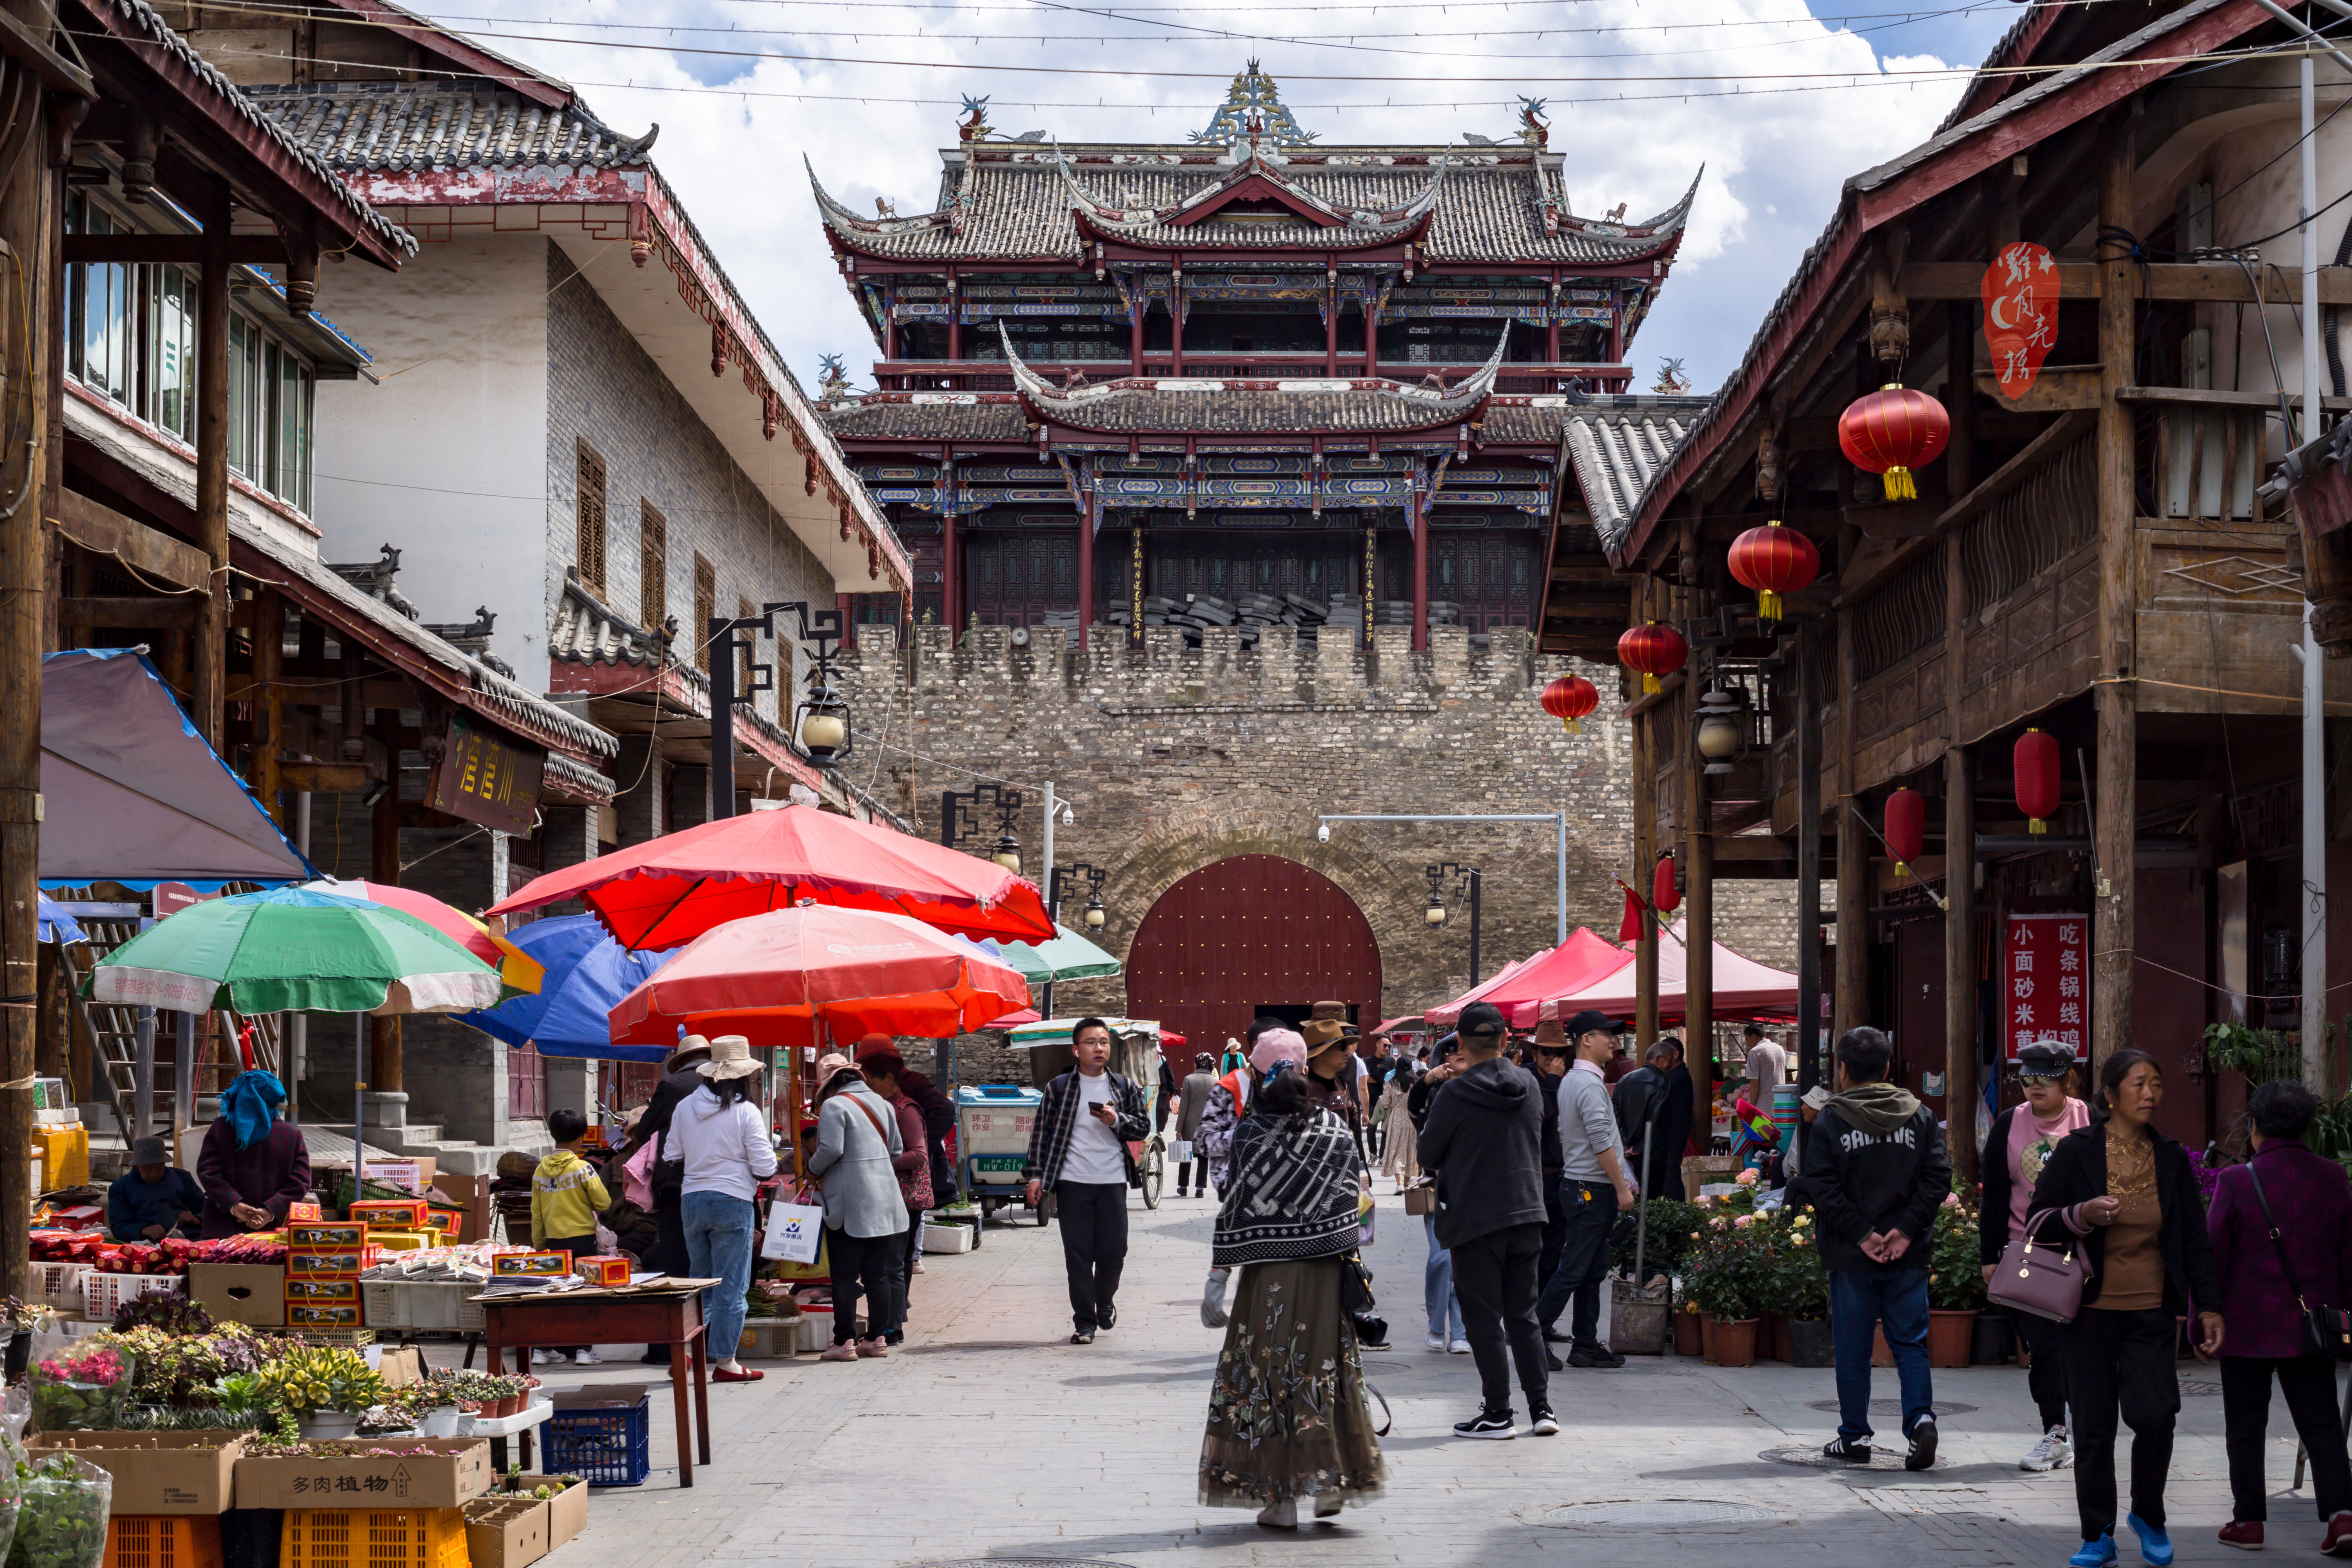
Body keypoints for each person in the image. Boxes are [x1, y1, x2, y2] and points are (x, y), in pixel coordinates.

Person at [2027, 1049, 2223, 1568]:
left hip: (2152, 1311)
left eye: (2157, 1083)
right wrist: (2081, 1214)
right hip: (2087, 1311)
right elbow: (2036, 1222)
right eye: (2139, 1084)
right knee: (2093, 1427)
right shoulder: (2076, 1151)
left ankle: (2149, 1515)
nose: (2151, 1093)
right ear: (2110, 1095)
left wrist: (2210, 1307)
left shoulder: (2171, 1156)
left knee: (2156, 1416)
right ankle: (2098, 1534)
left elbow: (2196, 1240)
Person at [1198, 1059, 1388, 1528]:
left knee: (1267, 1372)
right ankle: (1328, 1485)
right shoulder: (1336, 1132)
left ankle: (1279, 1500)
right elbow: (1353, 1204)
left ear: (1264, 1091)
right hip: (1325, 1272)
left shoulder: (1251, 1132)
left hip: (1268, 1276)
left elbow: (1236, 1205)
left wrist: (1218, 1276)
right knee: (1322, 1368)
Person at [2206, 1078, 2352, 1553]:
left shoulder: (2235, 1181)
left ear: (2254, 1127)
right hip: (2313, 1327)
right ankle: (2342, 1517)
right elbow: (2348, 1256)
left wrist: (2202, 1319)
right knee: (2322, 1423)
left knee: (2245, 1425)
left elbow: (2213, 1258)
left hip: (2245, 1325)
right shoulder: (2334, 1177)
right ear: (2308, 1126)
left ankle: (2248, 1522)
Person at [1800, 1025, 1950, 1472]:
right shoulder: (1920, 1116)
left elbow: (1820, 1185)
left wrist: (1863, 1234)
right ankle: (1920, 1420)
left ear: (1842, 1071)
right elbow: (1938, 1178)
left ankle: (1855, 1436)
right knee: (1910, 1345)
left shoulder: (1831, 1119)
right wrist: (1903, 1230)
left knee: (1853, 1347)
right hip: (1909, 1254)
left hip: (1851, 1256)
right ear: (1887, 1068)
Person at [1416, 1001, 1554, 1440]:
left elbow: (1427, 1154)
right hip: (1528, 1210)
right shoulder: (1530, 1085)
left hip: (1476, 1217)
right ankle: (1542, 1408)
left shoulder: (1455, 1094)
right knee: (1524, 1316)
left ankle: (1498, 1412)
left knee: (1482, 1320)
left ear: (1460, 1043)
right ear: (1507, 1040)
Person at [1978, 1037, 2092, 1472]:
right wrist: (1990, 1255)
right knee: (2041, 1348)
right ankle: (2056, 1432)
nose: (2035, 1086)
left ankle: (2085, 1428)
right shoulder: (2009, 1124)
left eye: (2046, 1077)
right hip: (2026, 1254)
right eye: (2027, 1077)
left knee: (2081, 1347)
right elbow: (1995, 1196)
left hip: (2079, 1251)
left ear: (2066, 1078)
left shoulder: (2087, 1119)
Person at [1023, 1016, 1151, 1344]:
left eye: (1104, 1042)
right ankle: (1084, 1323)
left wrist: (1116, 1120)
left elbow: (1142, 1127)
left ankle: (1104, 1300)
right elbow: (1042, 1134)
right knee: (1078, 1255)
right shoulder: (1060, 1088)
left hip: (1111, 1181)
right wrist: (1035, 1176)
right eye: (1091, 1042)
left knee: (1114, 1250)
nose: (1099, 1048)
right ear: (1076, 1049)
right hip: (1072, 1182)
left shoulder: (1123, 1087)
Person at [668, 1035, 778, 1383]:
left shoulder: (685, 1107)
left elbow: (672, 1155)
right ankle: (726, 1362)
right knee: (731, 1285)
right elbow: (765, 1167)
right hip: (732, 1200)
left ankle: (687, 1354)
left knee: (701, 1284)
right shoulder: (746, 1111)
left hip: (692, 1200)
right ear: (743, 1076)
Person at [1536, 1009, 1637, 1370]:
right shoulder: (1587, 1084)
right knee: (1574, 1269)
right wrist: (1622, 1188)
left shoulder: (1577, 1081)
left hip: (1583, 1186)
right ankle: (1534, 1337)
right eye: (1604, 1033)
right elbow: (1600, 1141)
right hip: (1589, 1188)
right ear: (1585, 1040)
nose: (1613, 1041)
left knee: (1591, 1269)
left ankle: (1585, 1343)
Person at [808, 1045, 907, 1362]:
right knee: (877, 1274)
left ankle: (844, 1342)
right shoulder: (883, 1104)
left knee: (845, 1277)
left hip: (850, 1205)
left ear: (832, 1084)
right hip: (885, 1201)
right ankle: (878, 1338)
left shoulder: (835, 1107)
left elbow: (830, 1149)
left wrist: (811, 1170)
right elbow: (896, 1150)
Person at [858, 1042, 932, 1345]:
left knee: (895, 1265)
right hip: (889, 1197)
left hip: (905, 1200)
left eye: (872, 1082)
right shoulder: (884, 1108)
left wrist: (881, 1162)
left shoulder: (906, 1110)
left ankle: (892, 1327)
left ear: (889, 1079)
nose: (870, 1089)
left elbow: (919, 1154)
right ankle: (891, 1323)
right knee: (890, 1265)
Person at [530, 1107, 612, 1365]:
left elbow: (537, 1215)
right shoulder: (583, 1168)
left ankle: (544, 1350)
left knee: (553, 1294)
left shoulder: (539, 1171)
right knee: (585, 1293)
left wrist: (540, 1245)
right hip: (583, 1241)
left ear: (554, 1135)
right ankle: (583, 1351)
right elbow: (604, 1202)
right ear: (581, 1138)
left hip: (553, 1242)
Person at [1406, 1031, 1467, 1354]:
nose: (1457, 1053)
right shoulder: (1436, 1092)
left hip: (1474, 1189)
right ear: (1442, 1058)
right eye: (1451, 1050)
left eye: (1463, 1048)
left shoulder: (1480, 1090)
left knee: (1465, 1263)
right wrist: (1428, 1078)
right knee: (1442, 1259)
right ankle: (1435, 1324)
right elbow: (1413, 1109)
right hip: (1438, 1187)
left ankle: (1459, 1331)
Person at [196, 1069, 311, 1238]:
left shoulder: (221, 1128)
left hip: (222, 1231)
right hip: (272, 1234)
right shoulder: (291, 1135)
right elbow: (301, 1181)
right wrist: (270, 1210)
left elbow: (208, 1172)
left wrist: (233, 1205)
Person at [1198, 1018, 1282, 1197]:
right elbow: (1203, 1142)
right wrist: (1245, 1135)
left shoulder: (1289, 1083)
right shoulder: (1226, 1088)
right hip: (1238, 1189)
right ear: (1257, 1045)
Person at [1526, 1020, 1570, 1363]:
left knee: (1554, 1255)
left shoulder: (1566, 1081)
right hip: (1536, 1177)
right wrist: (1553, 1082)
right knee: (1534, 1255)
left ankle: (1543, 1320)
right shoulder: (1529, 1080)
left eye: (1558, 1053)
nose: (1552, 1058)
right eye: (1546, 1052)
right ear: (1535, 1052)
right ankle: (1527, 1326)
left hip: (1561, 1177)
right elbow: (1541, 1116)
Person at [108, 1135, 204, 1242]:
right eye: (147, 1168)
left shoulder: (183, 1178)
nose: (154, 1174)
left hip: (186, 1238)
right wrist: (143, 1230)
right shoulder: (120, 1188)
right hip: (146, 1245)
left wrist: (196, 1219)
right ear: (137, 1166)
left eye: (160, 1166)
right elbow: (119, 1227)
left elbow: (207, 1210)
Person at [1612, 1039, 1675, 1195]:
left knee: (1629, 1197)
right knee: (1650, 1200)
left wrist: (1624, 1141)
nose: (1672, 1066)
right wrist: (1640, 1147)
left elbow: (1615, 1112)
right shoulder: (1662, 1082)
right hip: (1650, 1153)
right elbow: (1658, 1119)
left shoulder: (1625, 1080)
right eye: (1670, 1061)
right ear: (1660, 1059)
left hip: (1627, 1151)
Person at [1652, 1035, 1694, 1199]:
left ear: (1675, 1054)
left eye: (1662, 1056)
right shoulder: (1675, 1075)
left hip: (1673, 1133)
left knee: (1671, 1174)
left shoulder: (1677, 1077)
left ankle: (1677, 1211)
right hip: (1671, 1132)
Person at [1175, 1052, 1217, 1198]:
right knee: (1204, 1157)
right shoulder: (1216, 1082)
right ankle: (1200, 1188)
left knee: (1186, 1156)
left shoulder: (1189, 1080)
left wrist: (1179, 1129)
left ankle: (1183, 1187)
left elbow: (1184, 1107)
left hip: (1190, 1125)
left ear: (1199, 1063)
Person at [1742, 1023, 1788, 1106]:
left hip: (1764, 1105)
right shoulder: (1780, 1049)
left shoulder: (1755, 1052)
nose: (1748, 1044)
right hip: (1781, 1103)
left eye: (1747, 1040)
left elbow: (1754, 1083)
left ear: (1754, 1037)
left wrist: (1752, 1107)